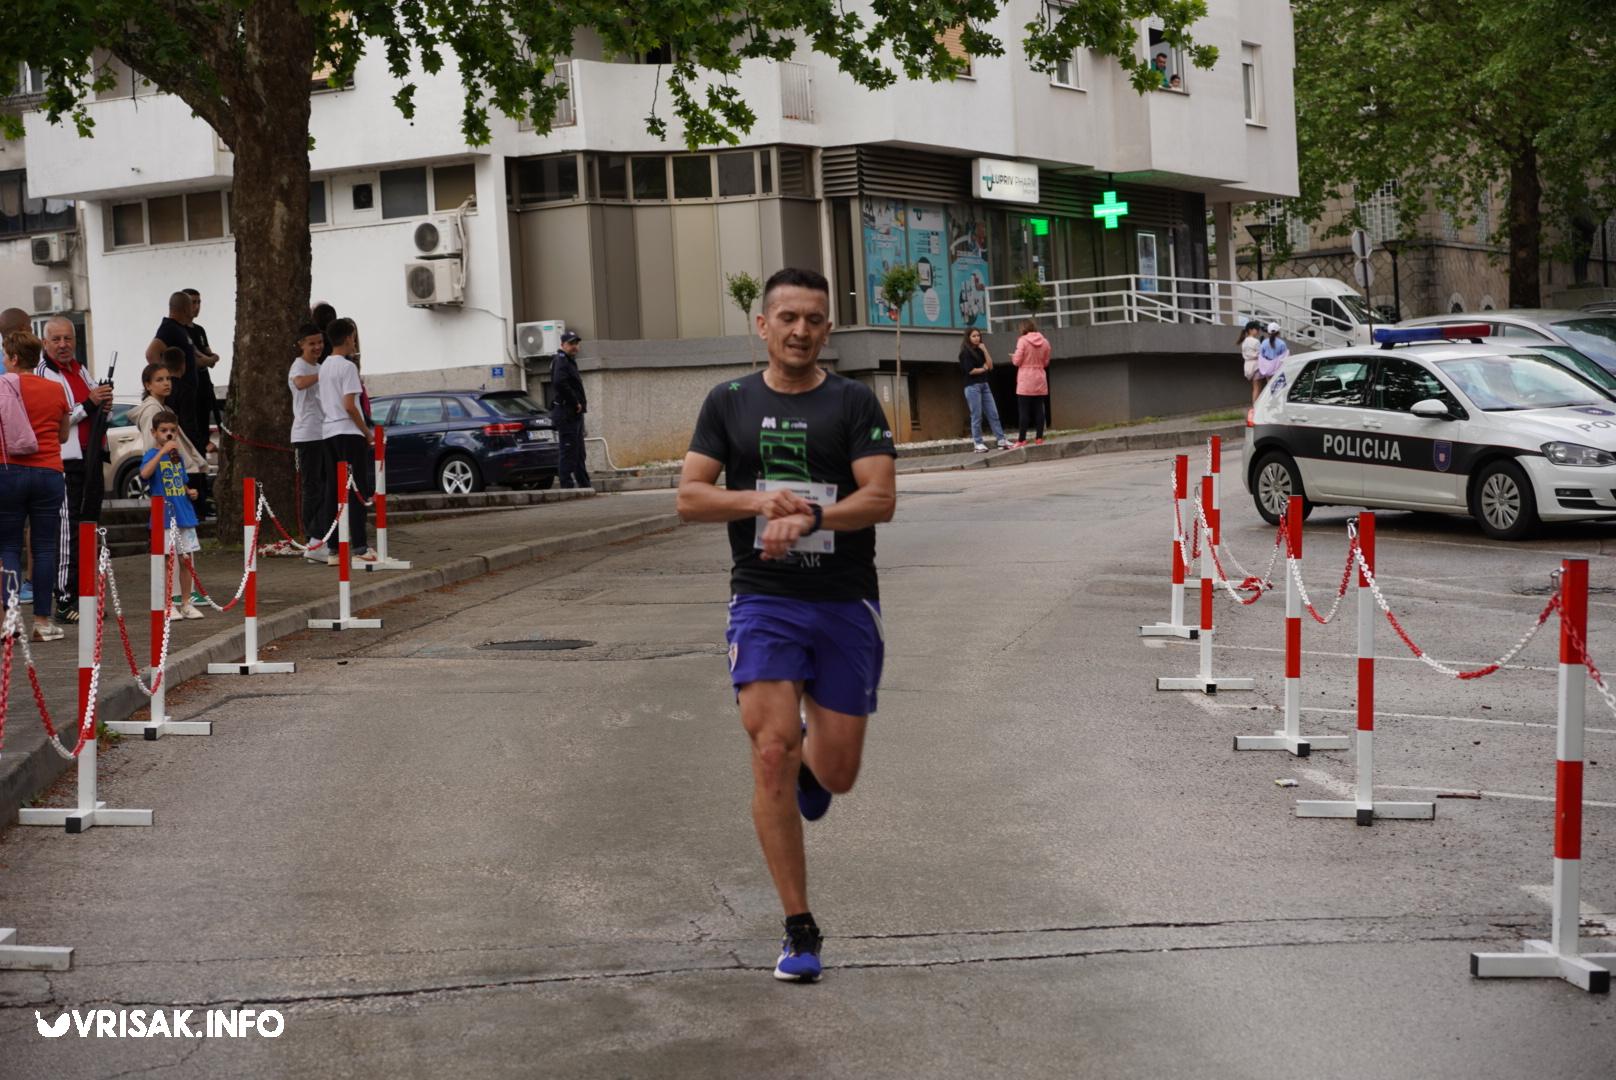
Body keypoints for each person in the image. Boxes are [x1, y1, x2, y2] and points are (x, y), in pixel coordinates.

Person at [677, 266, 898, 984]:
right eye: (789, 318)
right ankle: (799, 927)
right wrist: (757, 505)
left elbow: (881, 499)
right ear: (763, 325)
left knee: (835, 771)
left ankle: (815, 764)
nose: (801, 330)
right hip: (764, 597)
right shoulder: (729, 402)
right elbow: (689, 496)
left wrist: (814, 516)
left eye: (814, 320)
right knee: (770, 748)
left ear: (826, 329)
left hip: (842, 599)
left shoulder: (853, 400)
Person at [35, 315, 111, 624]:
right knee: (67, 531)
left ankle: (86, 595)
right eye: (57, 339)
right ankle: (64, 599)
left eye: (68, 339)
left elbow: (92, 400)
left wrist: (103, 400)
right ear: (45, 342)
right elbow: (62, 418)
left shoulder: (80, 368)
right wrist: (92, 403)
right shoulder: (45, 374)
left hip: (90, 457)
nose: (64, 345)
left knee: (88, 526)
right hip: (63, 461)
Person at [0, 331, 69, 641]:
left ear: (14, 358)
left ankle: (11, 621)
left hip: (8, 471)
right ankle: (42, 621)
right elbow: (64, 435)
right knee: (44, 548)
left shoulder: (3, 388)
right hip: (49, 472)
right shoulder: (55, 389)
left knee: (8, 547)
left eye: (5, 355)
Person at [317, 318, 376, 563]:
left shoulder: (324, 367)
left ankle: (333, 547)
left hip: (329, 431)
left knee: (334, 488)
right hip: (348, 432)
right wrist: (366, 431)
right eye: (353, 338)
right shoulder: (347, 367)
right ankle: (360, 546)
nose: (354, 342)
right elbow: (350, 405)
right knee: (357, 488)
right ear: (348, 337)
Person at [139, 411, 204, 619]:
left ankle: (186, 602)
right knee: (168, 561)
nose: (169, 434)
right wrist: (162, 452)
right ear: (154, 433)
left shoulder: (178, 457)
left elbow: (181, 480)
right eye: (164, 431)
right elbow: (145, 474)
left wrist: (189, 491)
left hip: (183, 513)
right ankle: (168, 604)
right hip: (165, 517)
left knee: (186, 560)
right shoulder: (151, 455)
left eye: (172, 431)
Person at [288, 322, 331, 562]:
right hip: (307, 434)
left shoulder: (321, 366)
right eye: (312, 343)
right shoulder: (299, 366)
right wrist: (323, 374)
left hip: (324, 432)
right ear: (301, 345)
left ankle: (320, 538)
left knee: (326, 486)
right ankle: (313, 540)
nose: (317, 347)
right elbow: (300, 383)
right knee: (312, 487)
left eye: (320, 342)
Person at [184, 288, 222, 517]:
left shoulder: (199, 330)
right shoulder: (180, 331)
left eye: (199, 302)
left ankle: (203, 496)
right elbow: (200, 359)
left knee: (203, 446)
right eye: (192, 302)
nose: (196, 307)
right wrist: (207, 359)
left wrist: (208, 359)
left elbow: (210, 356)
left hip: (204, 391)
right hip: (191, 394)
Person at [959, 327, 1010, 453]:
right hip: (972, 386)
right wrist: (983, 369)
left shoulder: (980, 350)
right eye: (974, 336)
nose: (977, 338)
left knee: (993, 413)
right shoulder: (965, 353)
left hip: (984, 385)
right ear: (968, 338)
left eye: (978, 336)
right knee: (976, 415)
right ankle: (978, 443)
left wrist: (985, 349)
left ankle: (1001, 440)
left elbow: (990, 365)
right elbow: (970, 371)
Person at [550, 330, 590, 489]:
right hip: (567, 413)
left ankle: (585, 485)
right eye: (571, 343)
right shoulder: (561, 360)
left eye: (576, 343)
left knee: (579, 453)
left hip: (575, 414)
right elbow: (559, 383)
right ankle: (566, 487)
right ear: (562, 345)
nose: (574, 346)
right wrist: (575, 402)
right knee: (568, 452)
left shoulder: (569, 361)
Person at [1010, 318, 1051, 446]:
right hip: (1039, 377)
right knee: (1039, 409)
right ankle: (1039, 438)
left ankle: (1022, 439)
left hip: (1026, 378)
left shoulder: (1022, 341)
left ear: (1023, 328)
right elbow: (1046, 362)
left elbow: (1017, 361)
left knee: (1024, 411)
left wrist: (1013, 357)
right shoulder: (1045, 342)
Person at [1240, 320, 1265, 402]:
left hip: (1247, 366)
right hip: (1256, 366)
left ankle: (1255, 406)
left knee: (1255, 387)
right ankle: (1256, 407)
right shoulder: (1255, 341)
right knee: (1258, 387)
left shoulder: (1244, 341)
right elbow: (1261, 354)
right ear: (1251, 330)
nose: (1258, 331)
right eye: (1257, 329)